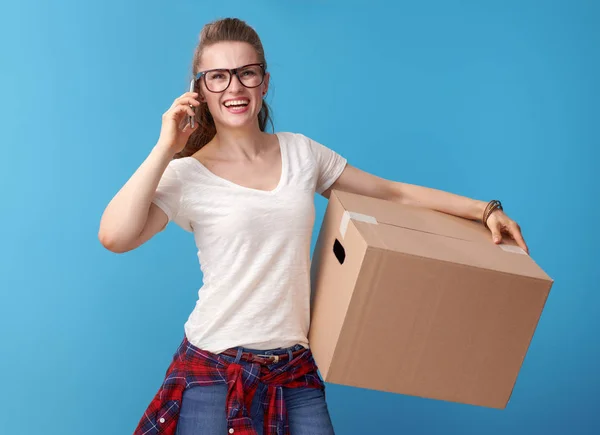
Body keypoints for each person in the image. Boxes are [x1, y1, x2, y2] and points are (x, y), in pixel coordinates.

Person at [98, 17, 529, 435]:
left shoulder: (303, 154)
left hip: (293, 367)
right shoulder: (187, 175)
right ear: (199, 90)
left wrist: (484, 210)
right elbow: (115, 236)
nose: (234, 88)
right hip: (214, 367)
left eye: (246, 73)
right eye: (218, 77)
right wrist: (165, 147)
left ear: (265, 82)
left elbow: (392, 194)